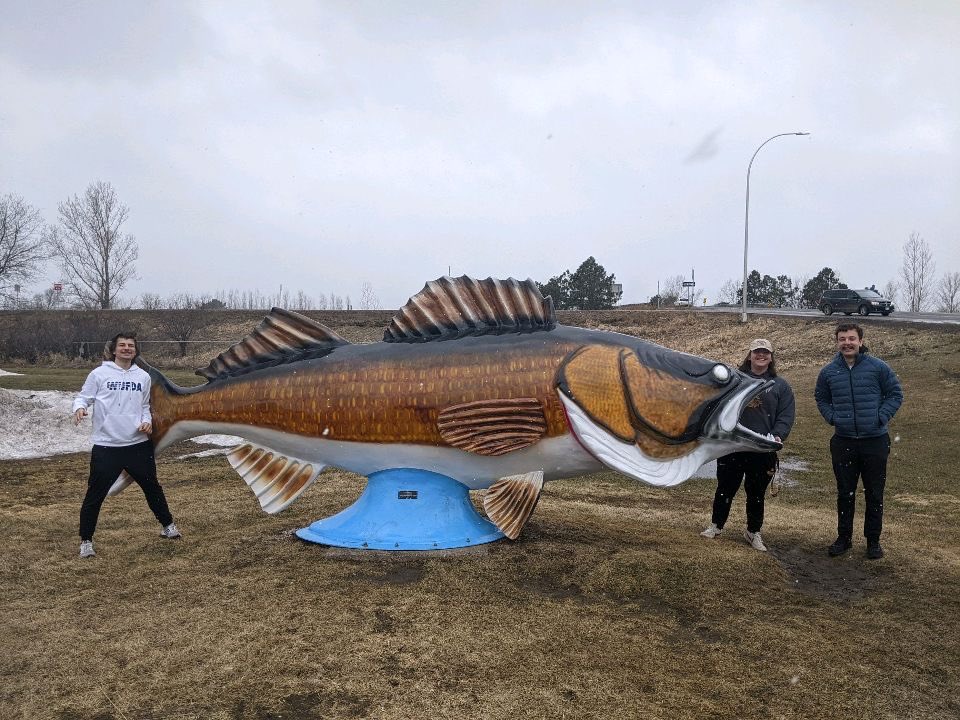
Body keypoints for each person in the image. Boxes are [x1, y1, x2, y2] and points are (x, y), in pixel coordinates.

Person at [73, 332, 181, 558]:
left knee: (153, 488)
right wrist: (80, 408)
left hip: (137, 446)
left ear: (135, 350)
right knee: (95, 495)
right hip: (106, 446)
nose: (126, 349)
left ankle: (168, 526)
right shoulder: (99, 374)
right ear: (114, 350)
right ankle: (86, 541)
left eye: (130, 346)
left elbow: (144, 407)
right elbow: (83, 397)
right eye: (122, 345)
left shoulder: (142, 376)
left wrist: (146, 422)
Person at [815, 323, 902, 559]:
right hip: (843, 441)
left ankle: (873, 541)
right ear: (837, 343)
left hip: (875, 440)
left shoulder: (878, 367)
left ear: (861, 341)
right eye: (842, 339)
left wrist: (881, 417)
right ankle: (844, 538)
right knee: (845, 492)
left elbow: (895, 394)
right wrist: (833, 418)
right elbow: (821, 398)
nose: (847, 343)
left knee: (874, 493)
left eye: (851, 338)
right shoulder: (829, 372)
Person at [700, 339, 795, 551]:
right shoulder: (735, 380)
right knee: (725, 488)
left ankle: (753, 532)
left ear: (771, 357)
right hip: (733, 445)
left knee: (756, 492)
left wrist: (778, 436)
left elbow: (786, 415)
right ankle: (716, 525)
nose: (761, 356)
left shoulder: (780, 385)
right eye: (756, 352)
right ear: (750, 355)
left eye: (765, 353)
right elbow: (718, 405)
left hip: (762, 447)